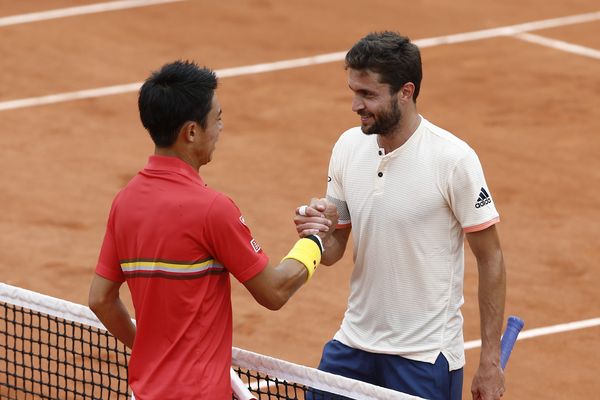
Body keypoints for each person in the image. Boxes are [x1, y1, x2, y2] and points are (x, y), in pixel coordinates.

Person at [88, 60, 331, 400]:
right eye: (216, 119)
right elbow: (274, 292)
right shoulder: (212, 210)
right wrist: (315, 240)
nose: (220, 128)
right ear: (191, 132)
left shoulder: (124, 202)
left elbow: (100, 299)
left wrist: (152, 352)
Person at [295, 32, 506, 400]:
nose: (355, 105)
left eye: (368, 94)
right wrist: (317, 233)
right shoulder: (347, 147)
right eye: (353, 91)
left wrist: (490, 359)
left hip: (423, 357)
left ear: (405, 92)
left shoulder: (453, 160)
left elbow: (491, 259)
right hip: (353, 343)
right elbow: (334, 251)